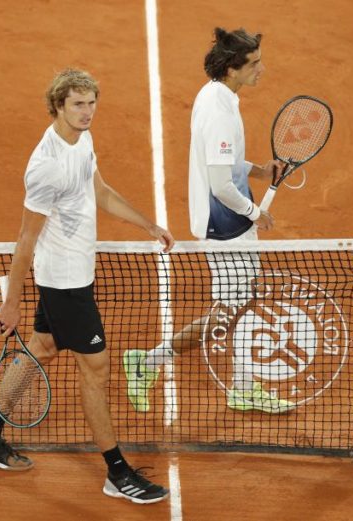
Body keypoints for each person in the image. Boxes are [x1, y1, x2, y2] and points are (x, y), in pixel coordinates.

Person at [0, 68, 173, 505]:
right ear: (57, 106)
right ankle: (117, 471)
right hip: (64, 285)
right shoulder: (46, 167)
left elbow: (101, 190)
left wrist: (148, 225)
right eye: (78, 104)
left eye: (91, 102)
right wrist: (11, 303)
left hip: (76, 276)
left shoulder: (81, 139)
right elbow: (25, 239)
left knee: (41, 348)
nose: (87, 112)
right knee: (96, 372)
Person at [123, 28, 295, 415]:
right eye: (253, 64)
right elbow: (220, 185)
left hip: (230, 223)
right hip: (227, 227)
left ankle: (243, 386)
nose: (261, 69)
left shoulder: (219, 95)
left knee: (242, 308)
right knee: (228, 313)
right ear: (232, 67)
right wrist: (256, 213)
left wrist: (259, 171)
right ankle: (147, 363)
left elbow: (226, 165)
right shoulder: (219, 110)